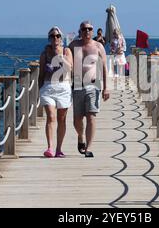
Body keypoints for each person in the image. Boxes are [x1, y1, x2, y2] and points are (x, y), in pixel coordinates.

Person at [69, 21, 110, 157]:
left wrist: (106, 88)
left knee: (91, 116)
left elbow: (104, 67)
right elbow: (66, 60)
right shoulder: (74, 45)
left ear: (92, 31)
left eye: (89, 29)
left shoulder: (98, 46)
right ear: (80, 31)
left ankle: (88, 148)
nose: (87, 31)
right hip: (78, 84)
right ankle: (80, 136)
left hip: (93, 84)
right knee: (77, 119)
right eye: (84, 29)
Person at [38, 26, 73, 158]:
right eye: (52, 36)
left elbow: (70, 68)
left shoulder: (66, 51)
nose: (55, 38)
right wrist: (40, 90)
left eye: (57, 36)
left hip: (63, 87)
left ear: (61, 38)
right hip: (48, 88)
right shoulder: (44, 54)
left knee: (62, 119)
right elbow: (40, 74)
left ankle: (59, 148)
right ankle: (50, 148)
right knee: (51, 117)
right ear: (49, 38)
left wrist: (59, 56)